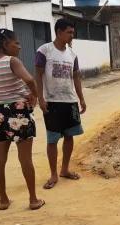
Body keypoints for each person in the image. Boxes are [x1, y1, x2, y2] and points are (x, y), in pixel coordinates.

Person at [0, 23, 45, 210]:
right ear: (6, 44)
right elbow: (30, 80)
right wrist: (34, 96)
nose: (20, 46)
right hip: (18, 111)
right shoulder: (12, 61)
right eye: (17, 43)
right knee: (25, 159)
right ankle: (33, 199)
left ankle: (3, 200)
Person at [35, 19, 87, 190]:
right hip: (52, 102)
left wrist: (81, 98)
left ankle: (64, 169)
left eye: (73, 32)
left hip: (70, 101)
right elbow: (38, 75)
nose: (72, 35)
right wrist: (40, 98)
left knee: (69, 136)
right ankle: (53, 175)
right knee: (52, 140)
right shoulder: (44, 51)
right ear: (59, 32)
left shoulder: (72, 54)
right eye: (69, 32)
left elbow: (76, 78)